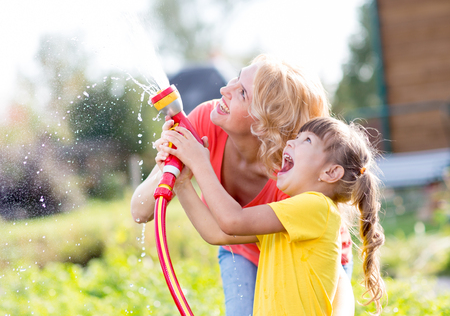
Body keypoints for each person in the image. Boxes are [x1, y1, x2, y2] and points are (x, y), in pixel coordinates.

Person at [131, 54, 354, 315]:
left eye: (242, 93)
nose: (224, 89)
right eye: (235, 78)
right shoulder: (206, 121)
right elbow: (140, 211)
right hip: (242, 252)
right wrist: (175, 166)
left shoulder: (295, 176)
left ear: (264, 122)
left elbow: (229, 226)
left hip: (299, 260)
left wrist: (198, 163)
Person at [160, 116, 386, 315]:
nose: (290, 142)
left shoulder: (318, 207)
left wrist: (200, 162)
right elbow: (216, 233)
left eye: (307, 141)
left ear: (331, 172)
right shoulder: (289, 215)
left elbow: (233, 220)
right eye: (297, 137)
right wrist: (182, 183)